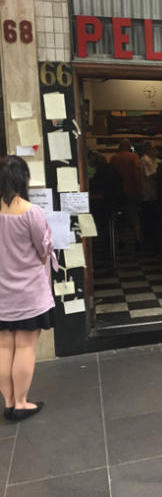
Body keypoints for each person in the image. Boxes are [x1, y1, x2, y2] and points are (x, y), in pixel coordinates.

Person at [0, 156, 54, 421]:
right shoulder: (31, 212)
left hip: (1, 292)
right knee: (24, 346)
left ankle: (8, 401)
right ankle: (20, 403)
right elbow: (43, 249)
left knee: (3, 347)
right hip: (27, 292)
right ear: (24, 179)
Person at [109, 138, 143, 246]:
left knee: (120, 217)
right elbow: (136, 174)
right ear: (129, 147)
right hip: (132, 190)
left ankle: (120, 240)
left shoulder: (114, 158)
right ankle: (137, 239)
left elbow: (111, 175)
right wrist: (140, 188)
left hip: (117, 192)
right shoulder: (133, 157)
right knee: (134, 216)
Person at [140, 142, 161, 249]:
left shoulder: (152, 160)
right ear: (148, 150)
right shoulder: (145, 160)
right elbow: (151, 175)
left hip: (152, 193)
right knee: (149, 219)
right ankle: (149, 242)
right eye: (154, 148)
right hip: (148, 194)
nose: (156, 151)